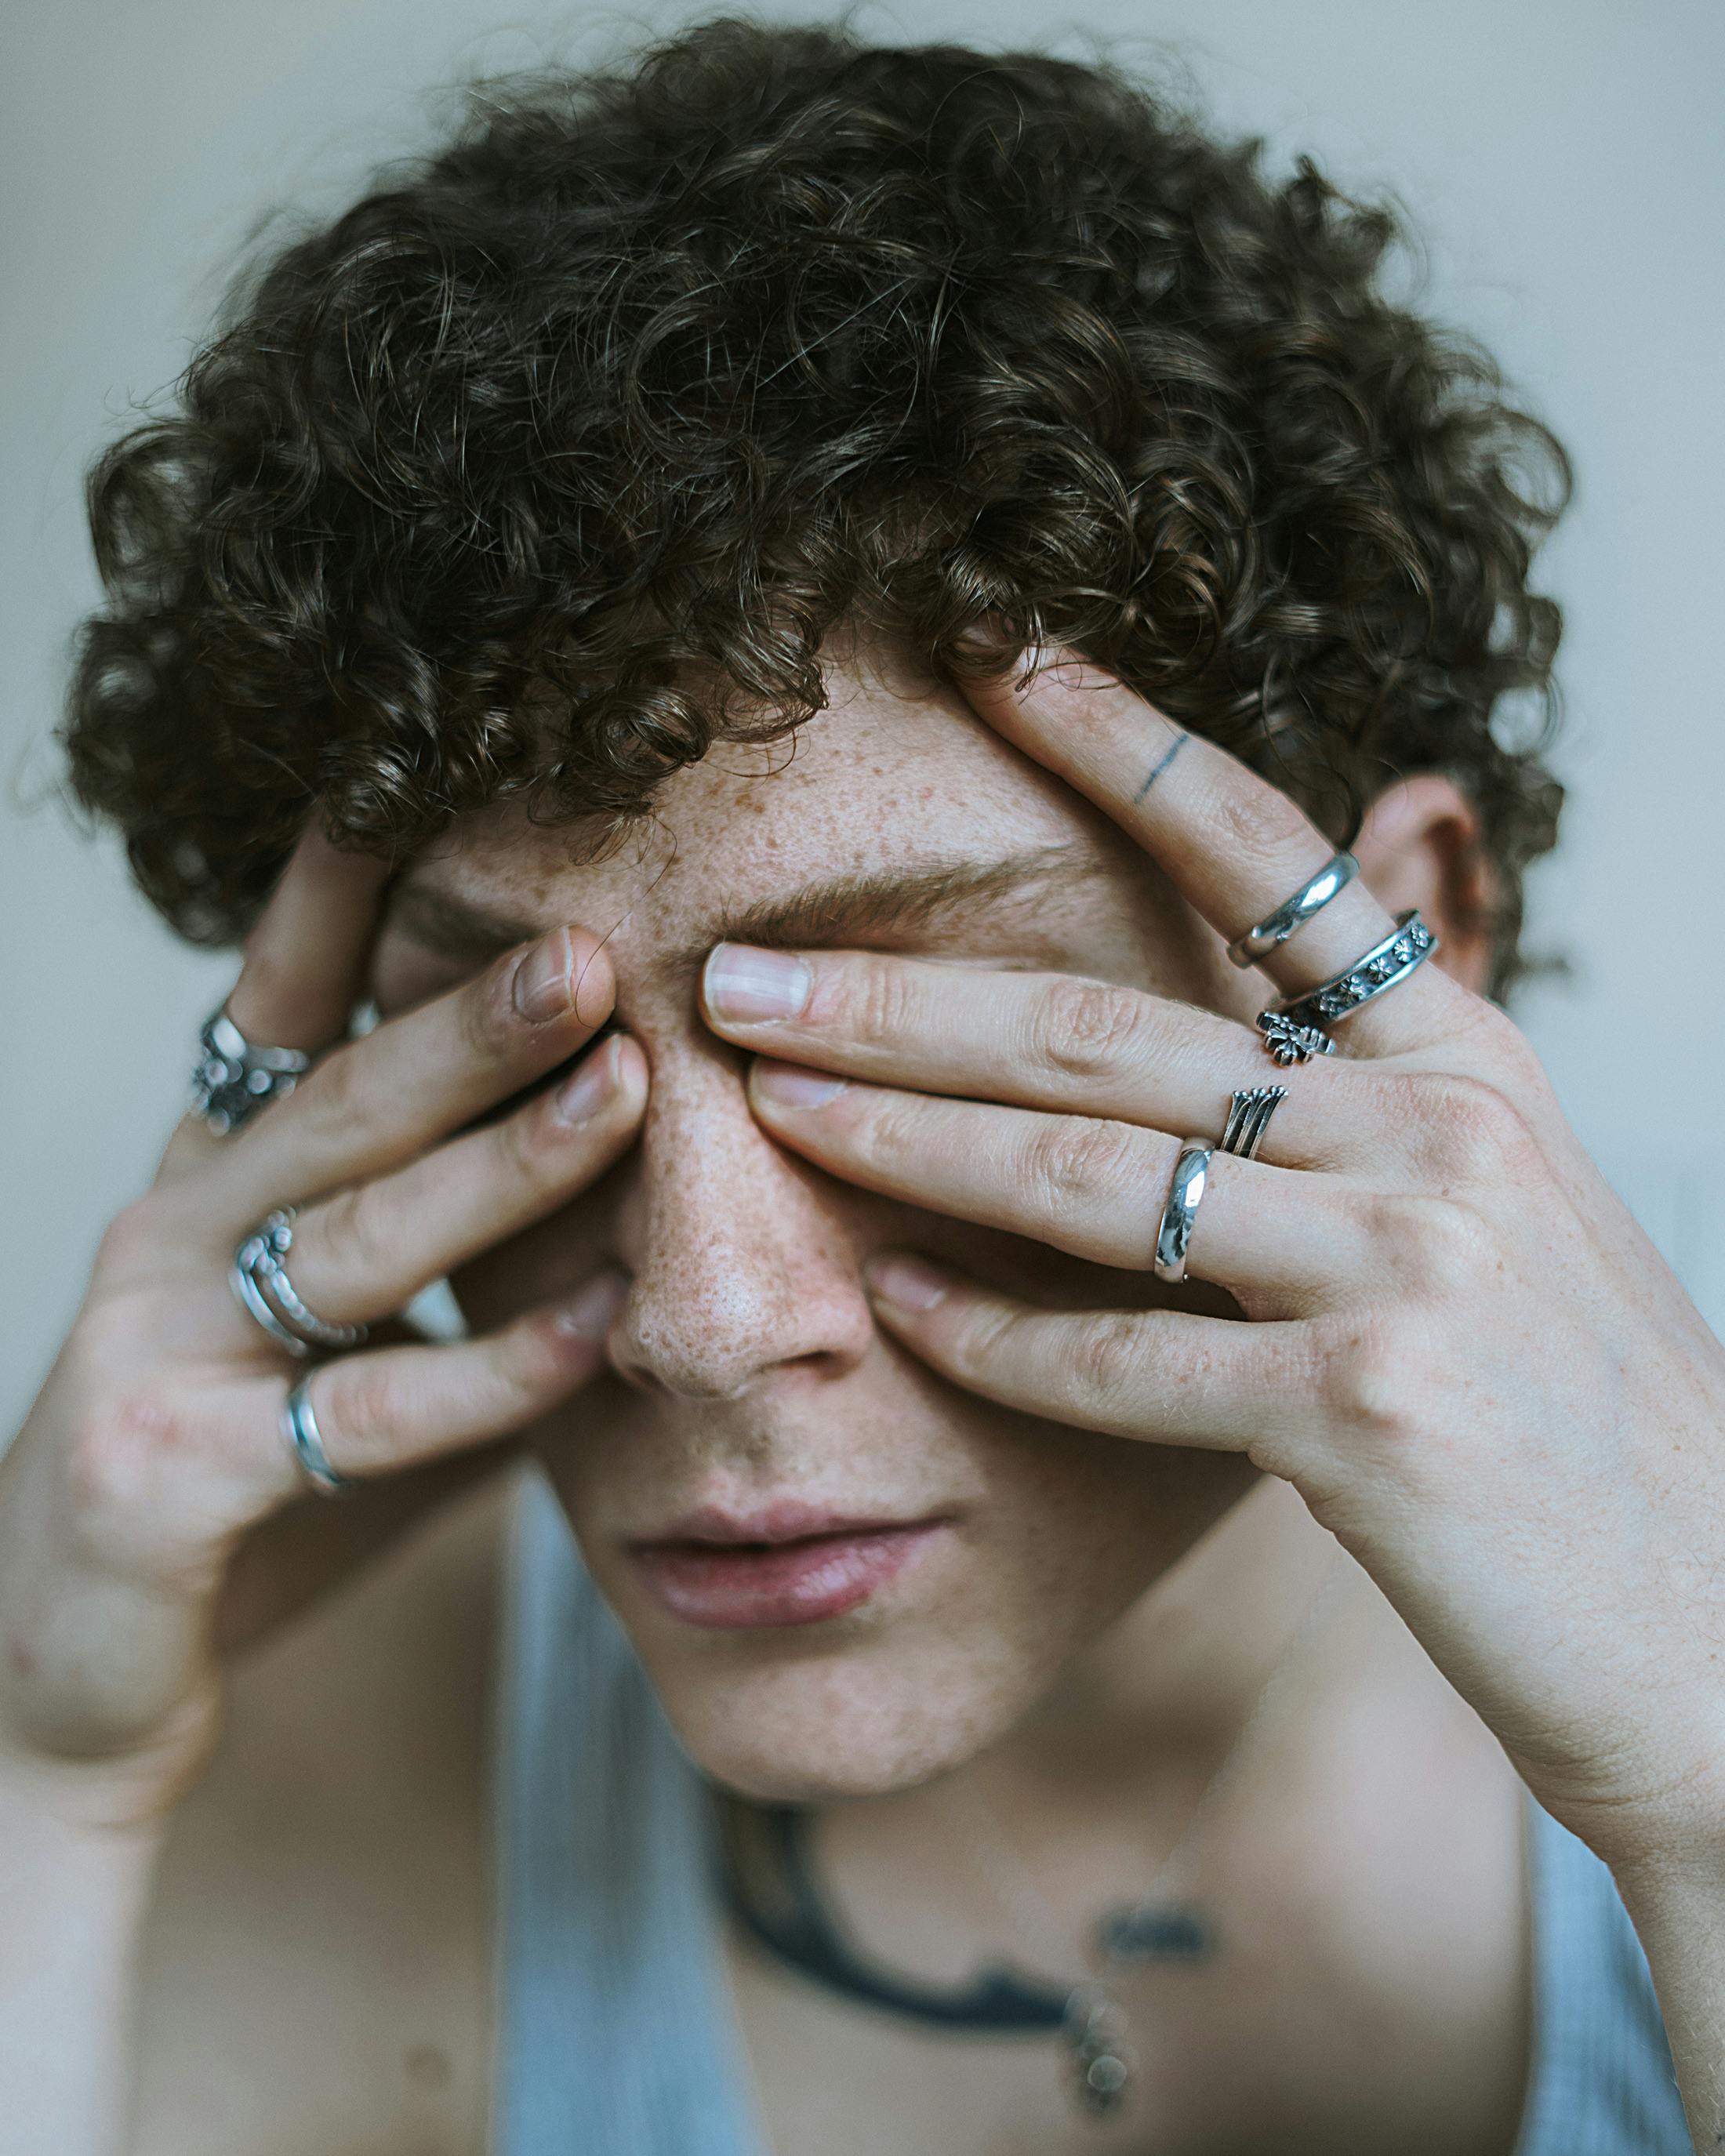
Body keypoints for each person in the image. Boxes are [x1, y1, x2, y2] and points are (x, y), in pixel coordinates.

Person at [4, 16, 1723, 2153]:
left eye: (897, 1033)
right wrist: (42, 1791)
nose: (704, 1321)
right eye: (534, 1062)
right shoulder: (316, 1730)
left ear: (1413, 945)